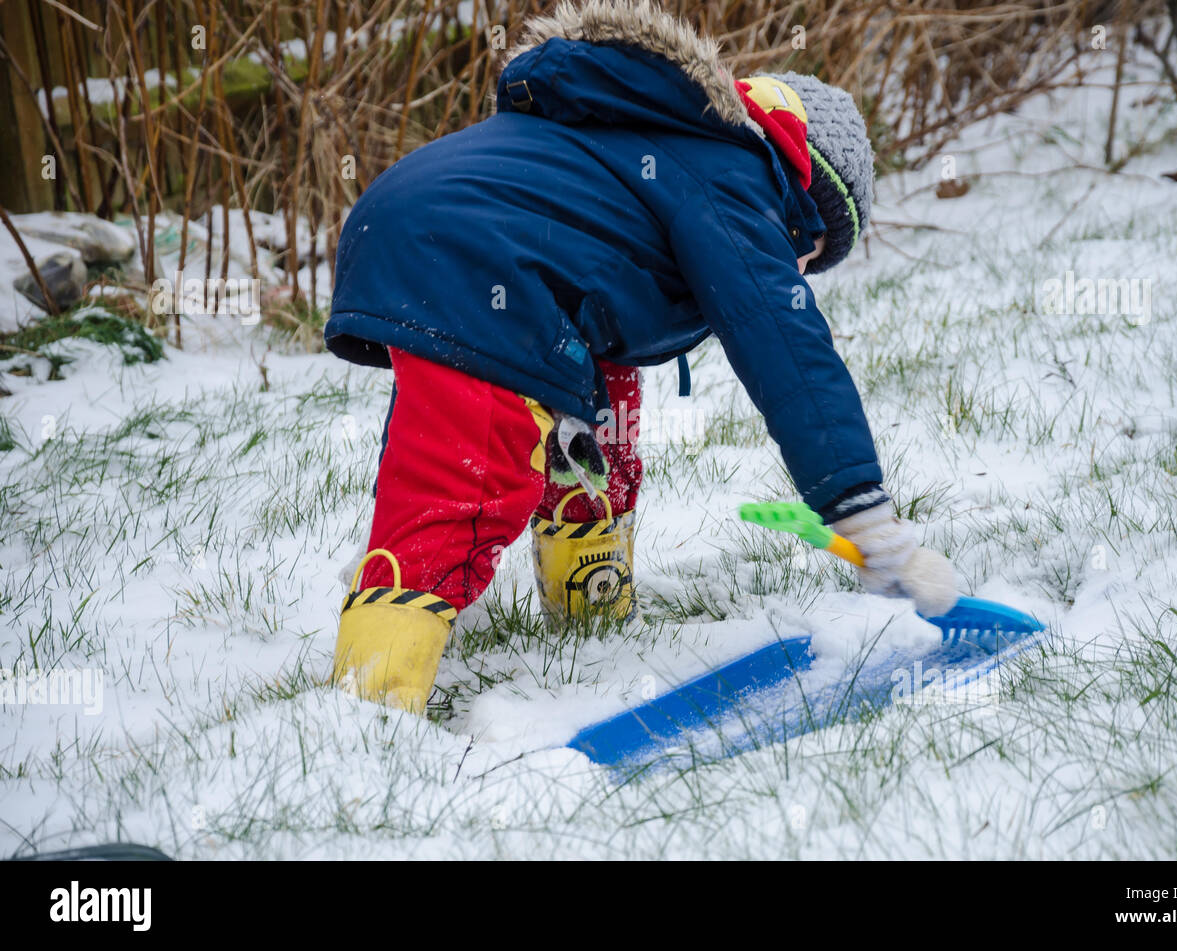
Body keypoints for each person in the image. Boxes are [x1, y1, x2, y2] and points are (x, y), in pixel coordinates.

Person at [323, 0, 956, 713]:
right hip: (479, 258)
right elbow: (786, 343)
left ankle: (586, 614)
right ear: (807, 197)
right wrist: (865, 516)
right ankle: (369, 711)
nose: (800, 269)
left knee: (597, 411)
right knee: (461, 479)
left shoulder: (644, 137)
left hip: (422, 227)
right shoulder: (738, 169)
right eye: (811, 252)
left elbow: (580, 250)